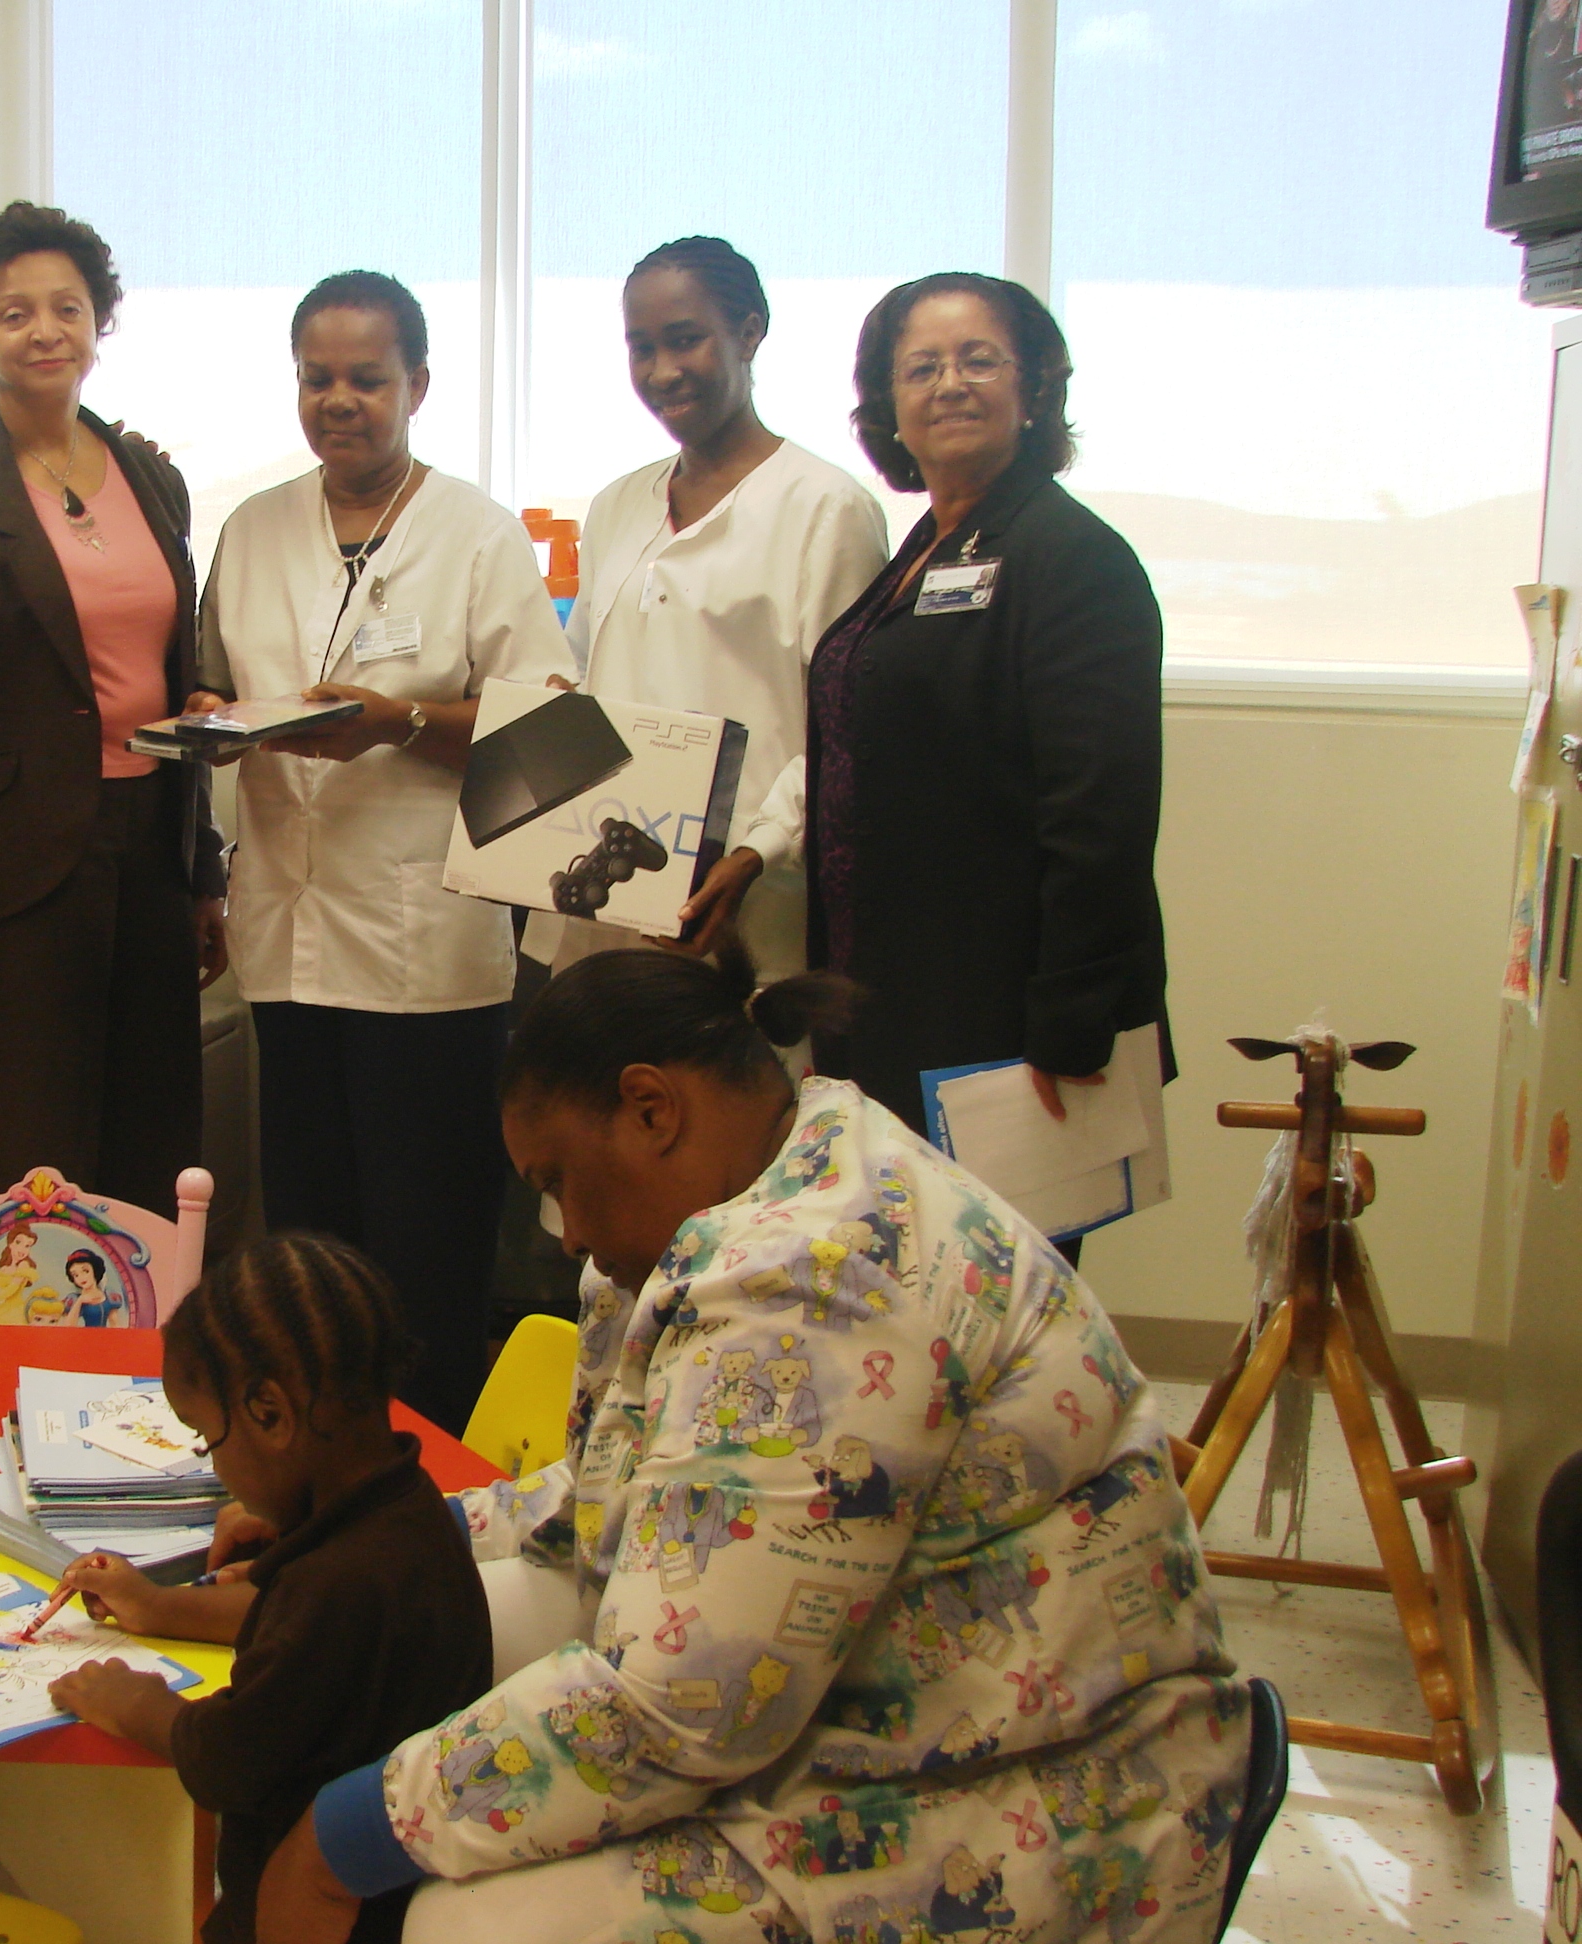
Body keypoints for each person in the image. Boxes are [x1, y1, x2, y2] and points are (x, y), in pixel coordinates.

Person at [251, 947, 1245, 1944]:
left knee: (476, 1929)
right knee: (415, 1619)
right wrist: (345, 1540)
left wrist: (345, 1840)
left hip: (1058, 1805)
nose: (561, 1233)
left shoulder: (816, 1275)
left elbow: (679, 1706)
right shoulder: (756, 1194)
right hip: (898, 1718)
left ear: (651, 1110)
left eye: (557, 1181)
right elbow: (600, 1503)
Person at [188, 270, 572, 1433]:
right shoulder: (253, 531)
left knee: (424, 1247)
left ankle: (433, 1467)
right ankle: (319, 1457)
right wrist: (208, 718)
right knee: (307, 1239)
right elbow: (214, 676)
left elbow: (553, 731)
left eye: (366, 377)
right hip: (289, 947)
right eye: (318, 377)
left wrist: (399, 721)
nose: (338, 399)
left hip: (427, 959)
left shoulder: (475, 534)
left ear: (418, 384)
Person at [0, 202, 225, 1215]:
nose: (43, 331)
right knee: (33, 1165)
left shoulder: (148, 473)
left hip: (151, 852)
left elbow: (169, 662)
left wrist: (203, 877)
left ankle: (149, 1371)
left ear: (98, 323)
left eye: (66, 307)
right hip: (15, 880)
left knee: (157, 1147)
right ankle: (27, 1370)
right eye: (13, 311)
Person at [805, 273, 1166, 1181]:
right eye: (920, 367)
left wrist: (1070, 1023)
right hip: (900, 999)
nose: (949, 384)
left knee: (1004, 1299)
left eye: (979, 360)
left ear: (1036, 387)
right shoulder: (930, 544)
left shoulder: (1072, 557)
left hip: (1012, 1025)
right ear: (888, 402)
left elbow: (1100, 815)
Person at [44, 1232, 491, 1944]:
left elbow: (229, 1762)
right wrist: (169, 1600)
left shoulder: (333, 1585)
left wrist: (140, 1706)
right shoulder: (410, 1516)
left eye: (205, 1437)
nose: (216, 1466)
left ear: (270, 1415)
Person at [538, 236, 887, 983]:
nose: (662, 370)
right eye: (640, 347)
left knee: (734, 1086)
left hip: (749, 896)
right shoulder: (618, 506)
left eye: (685, 339)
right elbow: (576, 675)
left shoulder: (825, 508)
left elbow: (848, 727)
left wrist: (759, 853)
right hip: (611, 877)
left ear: (750, 332)